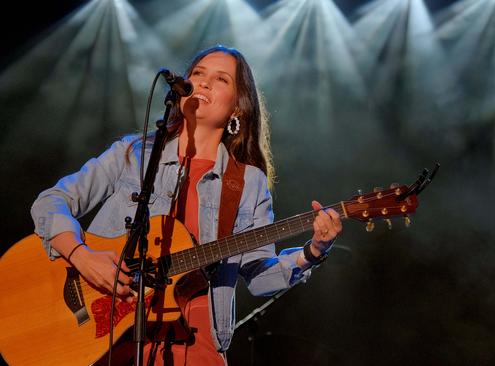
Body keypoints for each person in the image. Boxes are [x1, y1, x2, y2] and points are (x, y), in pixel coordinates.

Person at [30, 44, 342, 365]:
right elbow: (51, 202)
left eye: (221, 79)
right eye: (198, 74)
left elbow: (260, 277)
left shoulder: (247, 182)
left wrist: (313, 251)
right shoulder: (134, 154)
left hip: (193, 340)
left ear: (238, 108)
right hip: (111, 329)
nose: (204, 83)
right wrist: (82, 256)